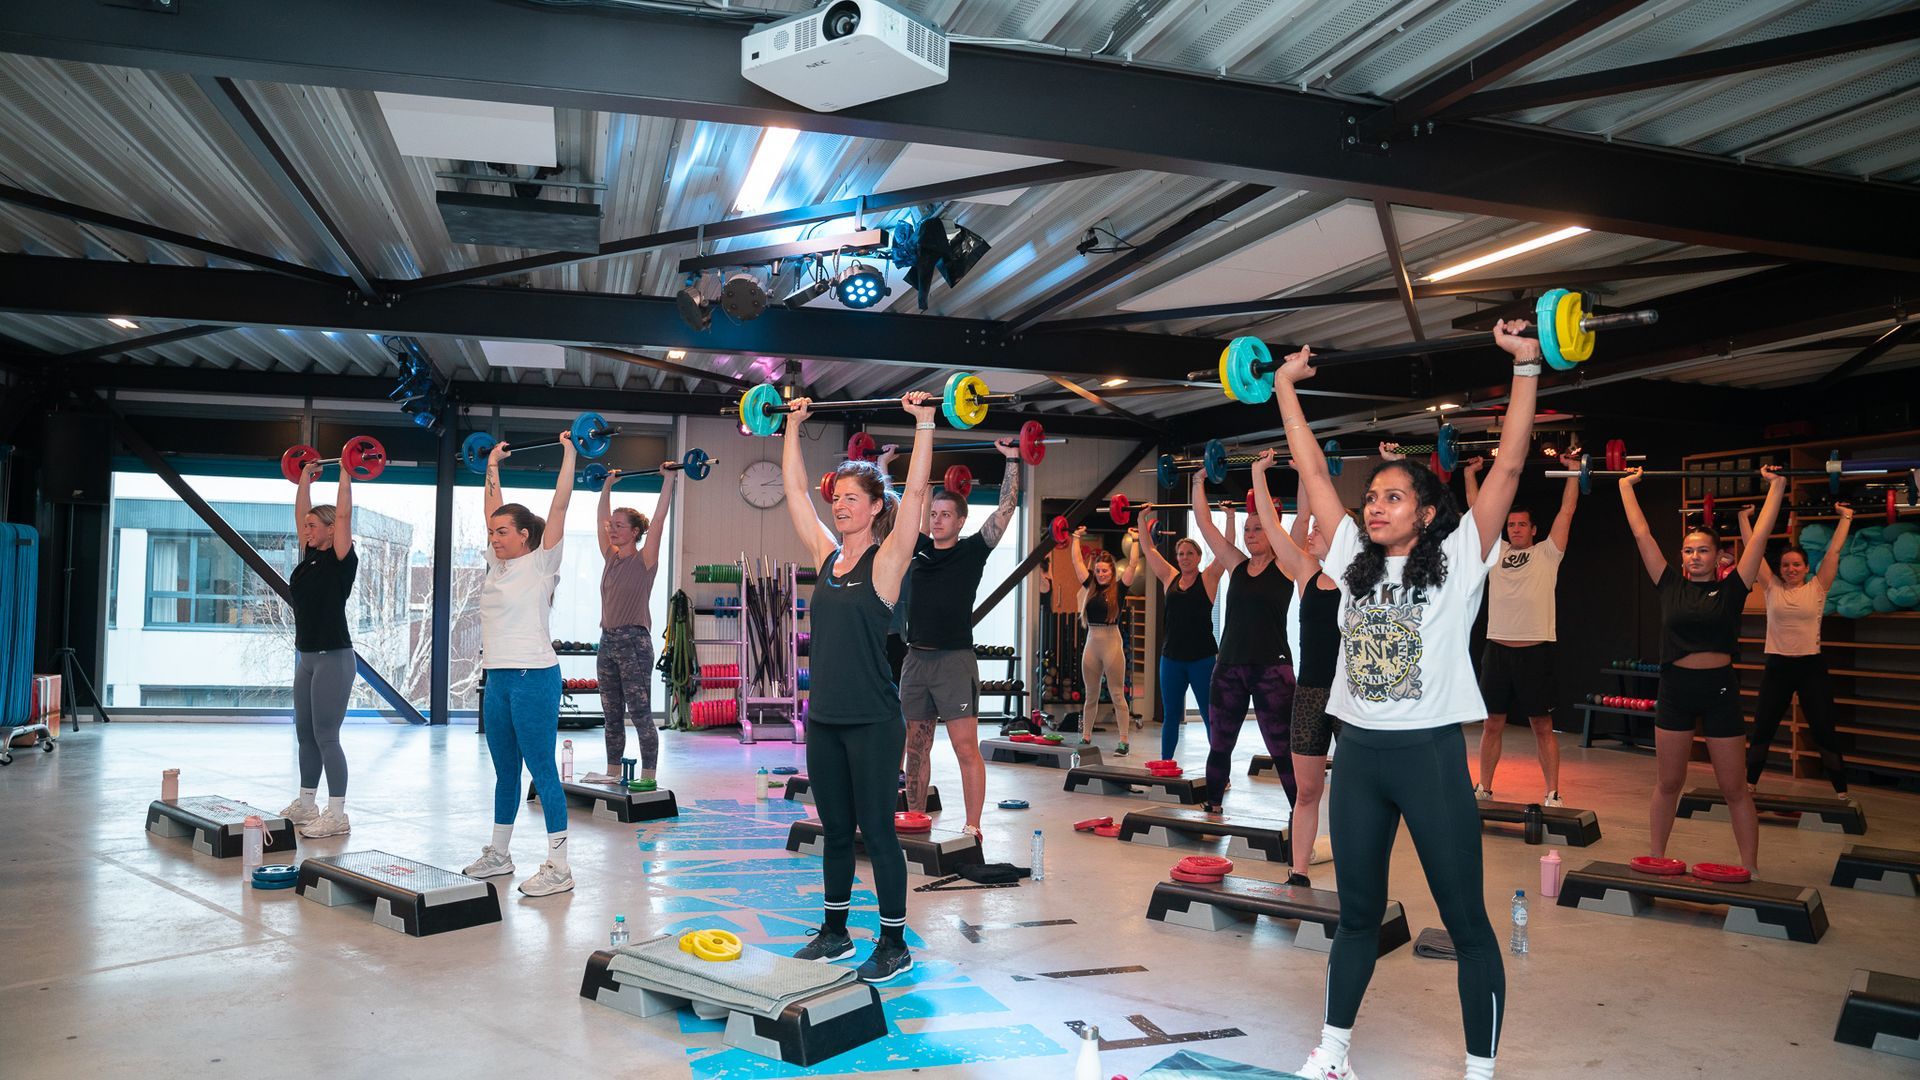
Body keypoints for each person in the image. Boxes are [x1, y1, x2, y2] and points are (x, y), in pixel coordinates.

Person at [1279, 321, 1542, 1080]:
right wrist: (1286, 389)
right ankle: (1332, 1055)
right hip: (1357, 756)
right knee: (1356, 918)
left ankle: (1479, 1071)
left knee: (1467, 924)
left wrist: (1525, 368)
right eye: (1374, 496)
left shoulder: (1460, 561)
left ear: (1427, 512)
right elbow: (1312, 472)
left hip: (1428, 757)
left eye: (1394, 496)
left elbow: (1512, 464)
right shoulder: (1352, 561)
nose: (1375, 505)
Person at [780, 392, 935, 984]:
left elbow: (916, 495)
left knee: (877, 832)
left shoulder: (888, 561)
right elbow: (795, 493)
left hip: (873, 720)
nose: (840, 505)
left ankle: (894, 943)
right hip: (824, 720)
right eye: (836, 498)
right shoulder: (825, 556)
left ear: (875, 508)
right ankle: (836, 932)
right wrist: (793, 427)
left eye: (852, 499)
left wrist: (924, 423)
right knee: (835, 831)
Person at [1618, 464, 1787, 878]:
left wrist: (1778, 487)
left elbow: (1762, 536)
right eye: (1689, 550)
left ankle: (1750, 866)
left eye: (1704, 550)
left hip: (1719, 691)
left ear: (1719, 556)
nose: (1695, 556)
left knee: (1734, 788)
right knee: (1669, 783)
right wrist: (1625, 486)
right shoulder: (1668, 583)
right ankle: (1657, 855)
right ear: (1682, 556)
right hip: (1675, 687)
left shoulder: (1734, 587)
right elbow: (1642, 534)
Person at [464, 431, 578, 897]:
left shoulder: (541, 563)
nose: (494, 538)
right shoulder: (497, 565)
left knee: (542, 769)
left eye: (503, 532)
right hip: (499, 679)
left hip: (535, 677)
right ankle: (499, 853)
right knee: (505, 771)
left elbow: (560, 507)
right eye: (492, 534)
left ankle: (559, 865)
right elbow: (490, 506)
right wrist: (491, 466)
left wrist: (570, 453)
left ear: (525, 535)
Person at [900, 437, 1023, 840]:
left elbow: (1006, 510)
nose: (936, 520)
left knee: (965, 748)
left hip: (954, 661)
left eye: (944, 514)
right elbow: (897, 513)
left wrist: (1012, 460)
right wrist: (884, 467)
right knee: (915, 749)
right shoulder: (916, 550)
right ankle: (915, 820)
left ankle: (973, 827)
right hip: (915, 660)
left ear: (960, 521)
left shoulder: (973, 551)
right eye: (933, 513)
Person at [1462, 451, 1583, 806]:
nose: (1514, 529)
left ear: (1533, 530)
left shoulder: (1548, 553)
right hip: (1497, 651)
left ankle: (1552, 792)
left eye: (1521, 525)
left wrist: (1574, 473)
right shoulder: (1495, 552)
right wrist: (1470, 475)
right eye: (1511, 525)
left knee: (1542, 727)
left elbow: (1567, 512)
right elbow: (1477, 513)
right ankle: (1484, 787)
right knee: (1491, 725)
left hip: (1535, 652)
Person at [1192, 466, 1309, 813]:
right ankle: (1213, 804)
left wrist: (1303, 473)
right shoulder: (1236, 564)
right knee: (1220, 744)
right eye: (1247, 528)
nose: (1251, 534)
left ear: (1273, 531)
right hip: (1228, 667)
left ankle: (1297, 812)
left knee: (1281, 748)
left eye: (1259, 528)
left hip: (1272, 670)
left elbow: (1303, 517)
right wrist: (1198, 482)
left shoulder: (1287, 565)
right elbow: (1204, 525)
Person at [1247, 457, 1338, 887]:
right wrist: (1258, 474)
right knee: (1306, 791)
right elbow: (1270, 522)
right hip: (1312, 693)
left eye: (1321, 527)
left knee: (1357, 796)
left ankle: (1357, 872)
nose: (1313, 532)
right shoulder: (1306, 572)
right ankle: (1298, 872)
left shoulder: (1365, 580)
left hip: (1354, 696)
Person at [1738, 500, 1855, 795]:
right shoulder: (1771, 587)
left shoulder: (1818, 587)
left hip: (1810, 668)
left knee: (1823, 729)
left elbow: (1834, 552)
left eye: (1796, 564)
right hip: (1778, 666)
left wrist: (1847, 517)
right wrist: (1743, 518)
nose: (1790, 569)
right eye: (1785, 565)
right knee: (1763, 727)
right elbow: (1753, 548)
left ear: (1806, 567)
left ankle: (1841, 791)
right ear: (1780, 568)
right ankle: (1749, 785)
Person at [585, 461, 677, 784]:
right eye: (613, 526)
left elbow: (660, 520)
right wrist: (606, 486)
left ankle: (648, 776)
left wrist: (668, 480)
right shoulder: (610, 557)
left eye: (620, 526)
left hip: (634, 642)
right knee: (611, 715)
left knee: (639, 714)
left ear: (635, 532)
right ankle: (612, 773)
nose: (612, 529)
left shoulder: (644, 559)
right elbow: (600, 520)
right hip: (607, 641)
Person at [280, 458, 358, 839]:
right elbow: (301, 513)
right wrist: (304, 479)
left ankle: (337, 812)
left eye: (314, 525)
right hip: (307, 656)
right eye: (306, 525)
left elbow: (344, 515)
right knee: (304, 734)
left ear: (331, 530)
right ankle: (307, 803)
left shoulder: (340, 559)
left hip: (334, 657)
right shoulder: (310, 555)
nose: (306, 529)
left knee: (327, 734)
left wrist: (345, 469)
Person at [1136, 507, 1226, 761]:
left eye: (1190, 553)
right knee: (1171, 716)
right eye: (1180, 554)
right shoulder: (1169, 578)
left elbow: (1224, 551)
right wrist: (1141, 520)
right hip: (1171, 659)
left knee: (1210, 717)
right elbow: (1149, 550)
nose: (1185, 557)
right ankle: (1166, 766)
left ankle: (1220, 772)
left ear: (1198, 557)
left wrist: (1229, 518)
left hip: (1202, 659)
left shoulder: (1208, 578)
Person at [1068, 524, 1143, 754]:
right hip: (1092, 642)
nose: (1100, 574)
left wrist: (1136, 540)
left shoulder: (1120, 589)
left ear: (1112, 572)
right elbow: (1077, 563)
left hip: (1112, 644)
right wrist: (1075, 537)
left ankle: (1123, 741)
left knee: (1118, 694)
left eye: (1105, 571)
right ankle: (1086, 737)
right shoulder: (1090, 585)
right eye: (1098, 571)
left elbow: (1132, 564)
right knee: (1090, 695)